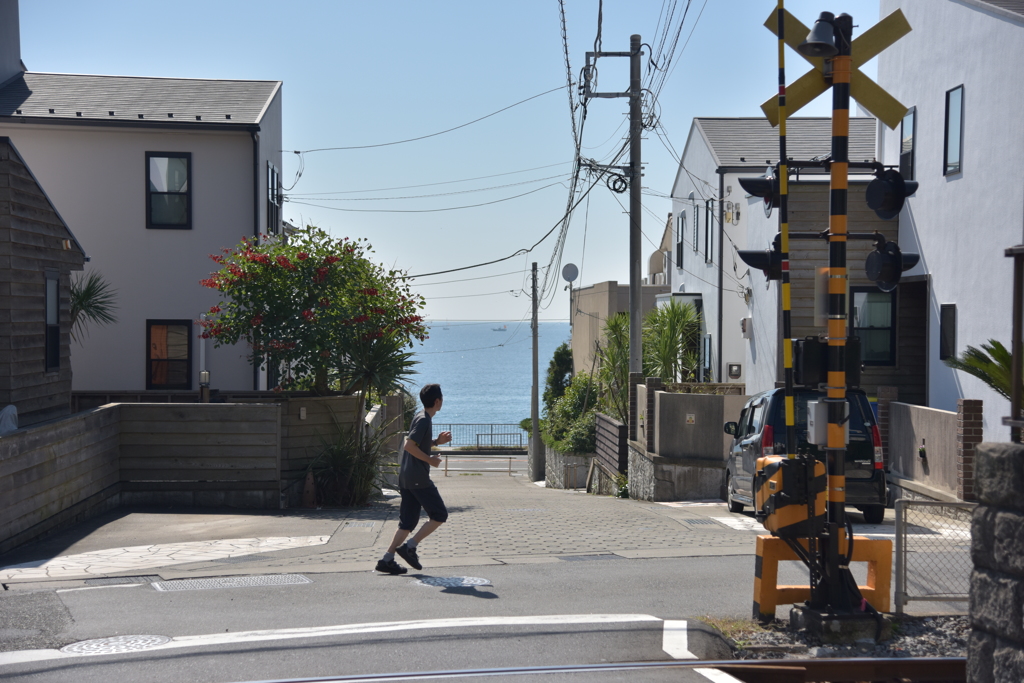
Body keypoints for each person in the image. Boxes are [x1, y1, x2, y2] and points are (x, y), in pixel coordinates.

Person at [375, 383, 452, 574]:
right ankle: (410, 546)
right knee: (440, 514)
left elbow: (418, 443)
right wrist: (430, 460)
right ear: (437, 401)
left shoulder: (420, 416)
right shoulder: (425, 420)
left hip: (407, 477)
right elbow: (409, 446)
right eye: (441, 399)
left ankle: (386, 560)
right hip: (418, 478)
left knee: (407, 523)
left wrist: (436, 442)